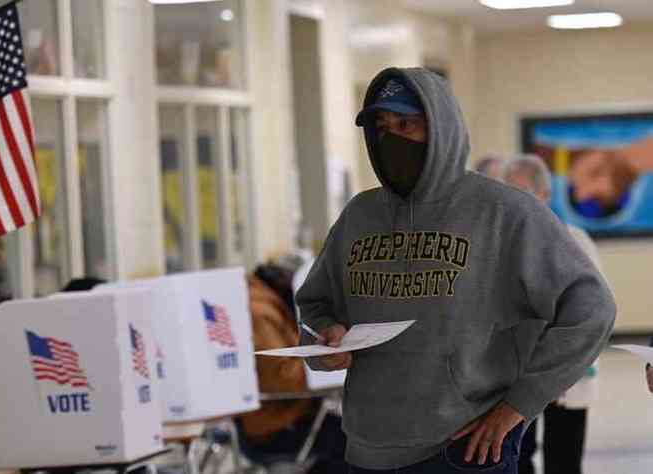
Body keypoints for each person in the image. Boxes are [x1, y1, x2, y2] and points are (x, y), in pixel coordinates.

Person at [296, 67, 615, 474]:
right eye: (381, 126)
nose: (391, 137)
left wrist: (519, 406)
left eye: (406, 124)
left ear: (440, 127)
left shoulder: (504, 212)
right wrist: (325, 339)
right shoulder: (360, 215)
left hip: (464, 449)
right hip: (368, 445)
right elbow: (315, 305)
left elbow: (590, 309)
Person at [501, 154, 602, 474]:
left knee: (563, 460)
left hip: (566, 375)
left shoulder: (575, 241)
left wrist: (562, 369)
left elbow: (594, 311)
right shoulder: (501, 243)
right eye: (509, 191)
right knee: (517, 457)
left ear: (545, 194)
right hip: (514, 376)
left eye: (524, 191)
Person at [240, 263, 347, 474]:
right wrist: (324, 362)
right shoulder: (259, 312)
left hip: (283, 418)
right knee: (354, 443)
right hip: (274, 429)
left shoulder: (264, 304)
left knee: (353, 436)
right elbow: (280, 376)